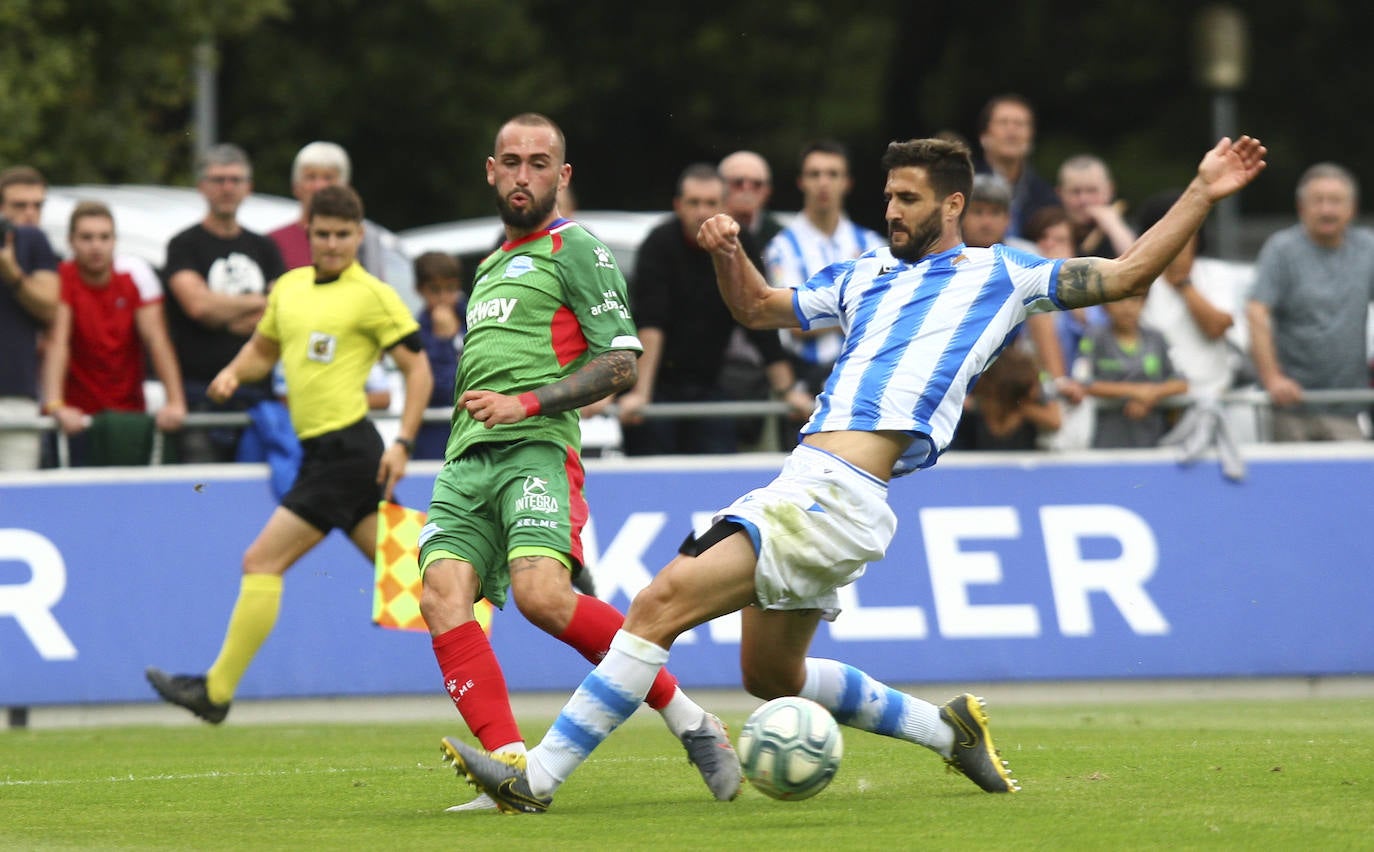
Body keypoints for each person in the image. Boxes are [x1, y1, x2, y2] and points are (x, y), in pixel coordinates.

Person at [441, 133, 1269, 812]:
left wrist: (1199, 190)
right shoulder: (865, 274)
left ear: (951, 205)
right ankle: (949, 734)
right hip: (820, 486)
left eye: (908, 200)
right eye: (888, 199)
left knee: (658, 606)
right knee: (771, 678)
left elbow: (1124, 275)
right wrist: (730, 253)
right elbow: (760, 308)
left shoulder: (1001, 274)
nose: (892, 212)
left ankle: (534, 778)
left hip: (831, 492)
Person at [416, 114, 743, 812]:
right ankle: (510, 771)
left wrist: (527, 405)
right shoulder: (489, 267)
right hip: (465, 462)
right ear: (491, 170)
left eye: (540, 163)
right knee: (440, 597)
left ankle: (691, 720)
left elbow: (621, 360)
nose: (523, 174)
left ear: (562, 177)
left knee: (542, 599)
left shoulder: (577, 249)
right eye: (512, 161)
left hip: (535, 448)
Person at [144, 185, 434, 721]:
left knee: (261, 560)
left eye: (343, 235)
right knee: (423, 579)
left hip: (348, 451)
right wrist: (234, 370)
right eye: (323, 234)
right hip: (321, 454)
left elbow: (419, 370)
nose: (332, 244)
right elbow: (263, 348)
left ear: (358, 234)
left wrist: (403, 442)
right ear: (308, 234)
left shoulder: (371, 295)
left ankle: (215, 691)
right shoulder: (290, 288)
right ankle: (530, 568)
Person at [619, 163, 809, 456]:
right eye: (694, 203)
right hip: (657, 386)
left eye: (710, 203)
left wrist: (788, 391)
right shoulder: (659, 244)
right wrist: (640, 393)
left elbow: (760, 316)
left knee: (719, 466)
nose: (701, 212)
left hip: (710, 384)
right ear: (678, 205)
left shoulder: (738, 242)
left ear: (724, 207)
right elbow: (651, 324)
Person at [163, 143, 287, 462]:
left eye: (235, 179)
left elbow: (281, 311)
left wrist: (223, 314)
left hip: (259, 397)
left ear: (249, 187)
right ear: (201, 186)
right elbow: (198, 307)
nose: (227, 188)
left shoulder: (264, 247)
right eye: (218, 180)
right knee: (202, 495)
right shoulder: (184, 245)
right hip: (199, 395)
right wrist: (256, 303)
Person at [40, 201, 187, 466]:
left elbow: (157, 340)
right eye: (86, 237)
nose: (96, 246)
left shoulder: (135, 277)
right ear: (71, 241)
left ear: (115, 241)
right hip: (76, 419)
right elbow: (57, 342)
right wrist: (55, 405)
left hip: (128, 416)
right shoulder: (62, 277)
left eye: (104, 237)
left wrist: (175, 402)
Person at [1247, 162, 1374, 442]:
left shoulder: (1368, 248)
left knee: (1350, 485)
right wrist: (1272, 378)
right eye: (1318, 201)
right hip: (1291, 408)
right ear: (1301, 207)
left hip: (1348, 406)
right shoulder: (1281, 249)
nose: (1327, 210)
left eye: (1336, 201)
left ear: (1352, 208)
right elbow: (1256, 312)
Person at [765, 140, 886, 403]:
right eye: (814, 174)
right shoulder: (781, 248)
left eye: (833, 174)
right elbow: (793, 319)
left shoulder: (873, 245)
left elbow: (886, 313)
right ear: (801, 182)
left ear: (847, 183)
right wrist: (854, 309)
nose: (823, 182)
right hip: (807, 380)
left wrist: (817, 308)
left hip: (864, 377)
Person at [1135, 190, 1256, 439]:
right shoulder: (1139, 284)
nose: (1179, 241)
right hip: (1159, 409)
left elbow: (1217, 327)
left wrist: (1183, 284)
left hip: (1219, 405)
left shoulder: (1217, 273)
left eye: (1186, 232)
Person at [1067, 294, 1189, 448]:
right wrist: (1135, 391)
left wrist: (1153, 394)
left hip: (1151, 439)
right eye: (1118, 300)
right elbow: (1080, 381)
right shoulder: (1093, 337)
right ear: (1105, 306)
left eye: (1134, 299)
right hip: (1104, 440)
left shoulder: (1157, 338)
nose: (1127, 307)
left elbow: (1182, 383)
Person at [0, 166, 60, 470]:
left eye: (37, 205)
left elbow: (50, 307)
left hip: (16, 396)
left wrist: (13, 275)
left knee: (14, 501)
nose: (30, 213)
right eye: (19, 205)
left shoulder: (35, 244)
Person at [269, 141, 386, 277]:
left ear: (345, 186)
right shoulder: (274, 241)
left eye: (328, 177)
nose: (319, 186)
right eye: (311, 177)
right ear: (295, 186)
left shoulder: (366, 239)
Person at [973, 93, 1060, 239]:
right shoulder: (966, 187)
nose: (1012, 131)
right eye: (1003, 122)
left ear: (1031, 136)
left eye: (1020, 124)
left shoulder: (1045, 196)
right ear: (984, 135)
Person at [411, 250, 465, 460]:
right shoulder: (418, 333)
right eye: (435, 290)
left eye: (450, 289)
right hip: (435, 436)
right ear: (420, 290)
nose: (444, 298)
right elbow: (439, 390)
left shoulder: (475, 318)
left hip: (476, 431)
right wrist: (444, 341)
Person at [1056, 154, 1135, 258]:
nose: (1084, 200)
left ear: (1110, 190)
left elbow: (1136, 261)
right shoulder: (1046, 230)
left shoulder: (1128, 228)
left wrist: (1113, 225)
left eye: (1092, 191)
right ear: (1060, 193)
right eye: (1075, 192)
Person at [718, 150, 784, 246]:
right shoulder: (703, 229)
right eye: (738, 183)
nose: (747, 189)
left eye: (757, 184)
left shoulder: (781, 237)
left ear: (768, 191)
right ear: (719, 187)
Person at [963, 173, 1037, 253]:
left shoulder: (1027, 255)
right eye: (977, 212)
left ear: (1008, 218)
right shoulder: (949, 256)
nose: (987, 222)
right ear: (961, 217)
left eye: (995, 213)